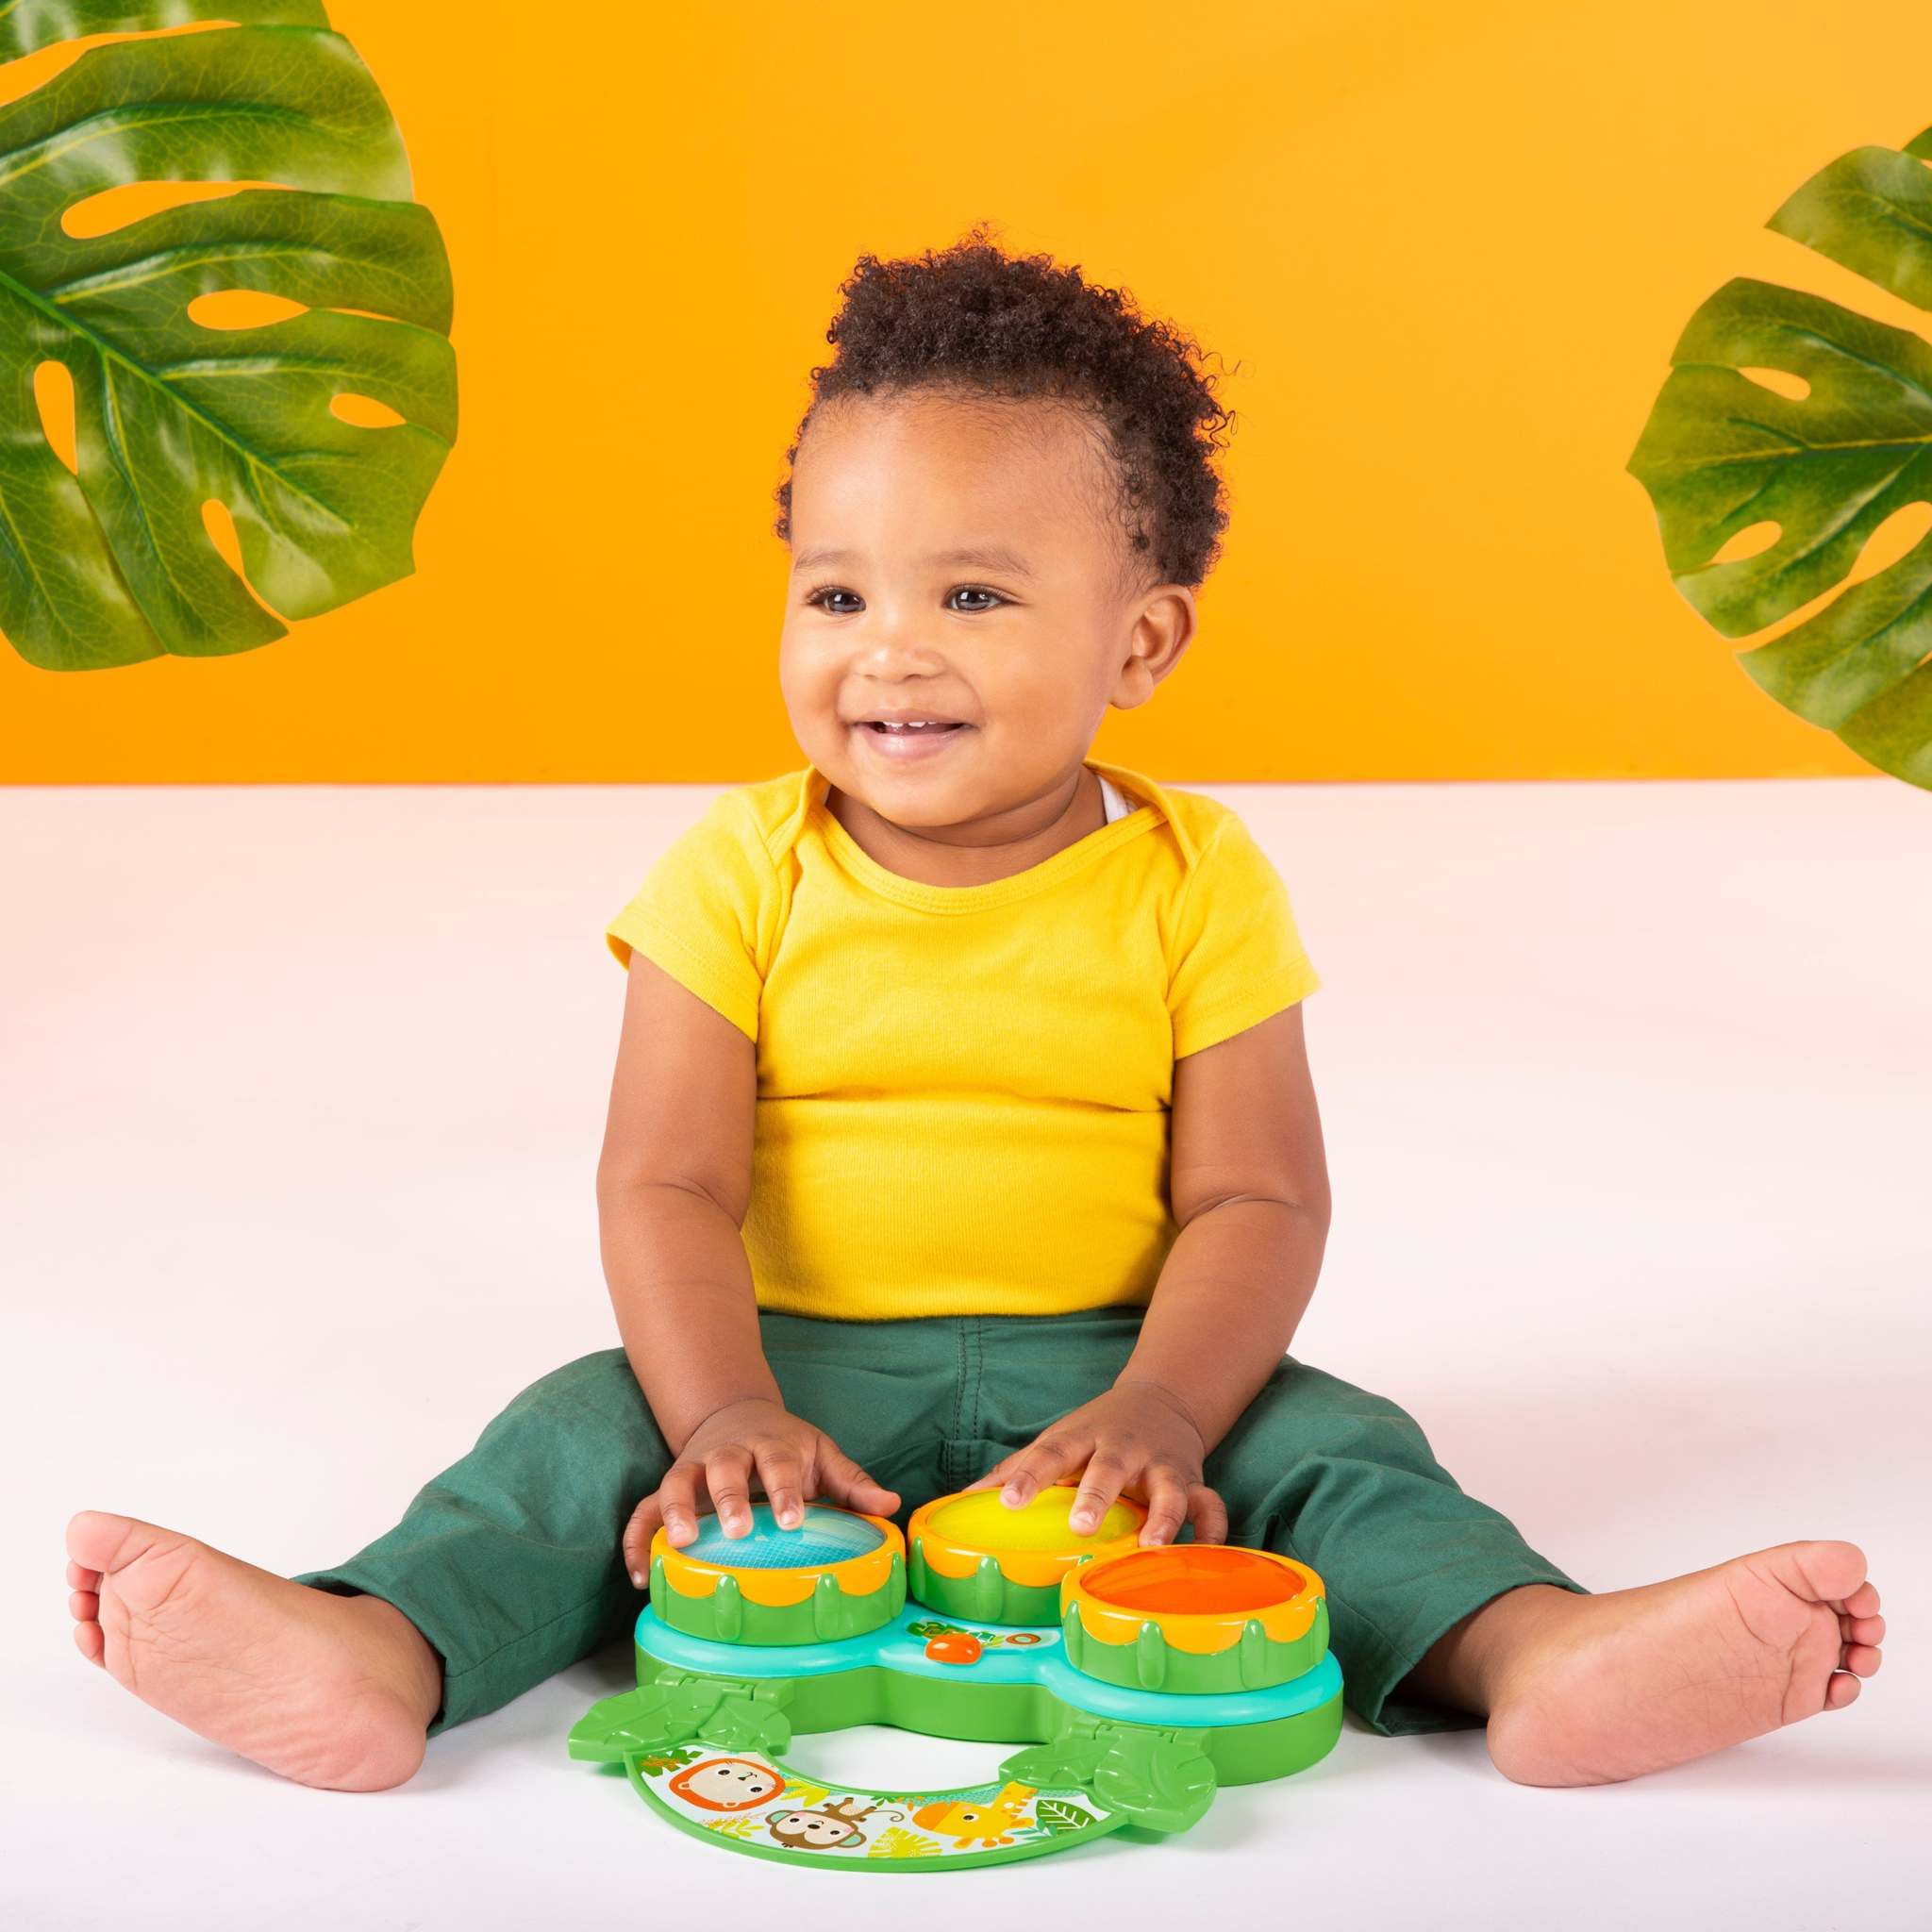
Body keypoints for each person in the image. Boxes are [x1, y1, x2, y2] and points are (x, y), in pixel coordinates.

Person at [64, 225, 1884, 1795]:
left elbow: (1258, 1200)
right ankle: (373, 1651)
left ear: (1141, 644)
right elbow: (667, 1188)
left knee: (1340, 1455)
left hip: (1114, 1362)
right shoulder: (739, 869)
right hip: (791, 1365)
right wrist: (714, 1419)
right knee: (563, 1438)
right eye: (836, 590)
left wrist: (1171, 1412)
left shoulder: (1196, 877)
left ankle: (1538, 1659)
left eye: (977, 594)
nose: (890, 649)